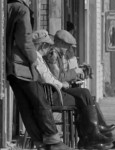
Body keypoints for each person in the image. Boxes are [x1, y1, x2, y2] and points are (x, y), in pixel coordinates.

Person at [44, 29, 115, 149]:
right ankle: (96, 135)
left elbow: (60, 76)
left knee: (89, 100)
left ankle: (99, 135)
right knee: (85, 95)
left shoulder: (58, 55)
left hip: (60, 90)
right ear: (61, 44)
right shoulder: (52, 55)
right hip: (55, 94)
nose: (68, 50)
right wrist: (75, 72)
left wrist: (75, 74)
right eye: (67, 46)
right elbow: (59, 76)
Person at [6, 0, 71, 150]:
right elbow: (25, 39)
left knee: (26, 106)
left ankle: (40, 142)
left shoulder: (8, 7)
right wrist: (33, 59)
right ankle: (53, 141)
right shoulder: (22, 9)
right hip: (21, 64)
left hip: (10, 64)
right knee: (40, 101)